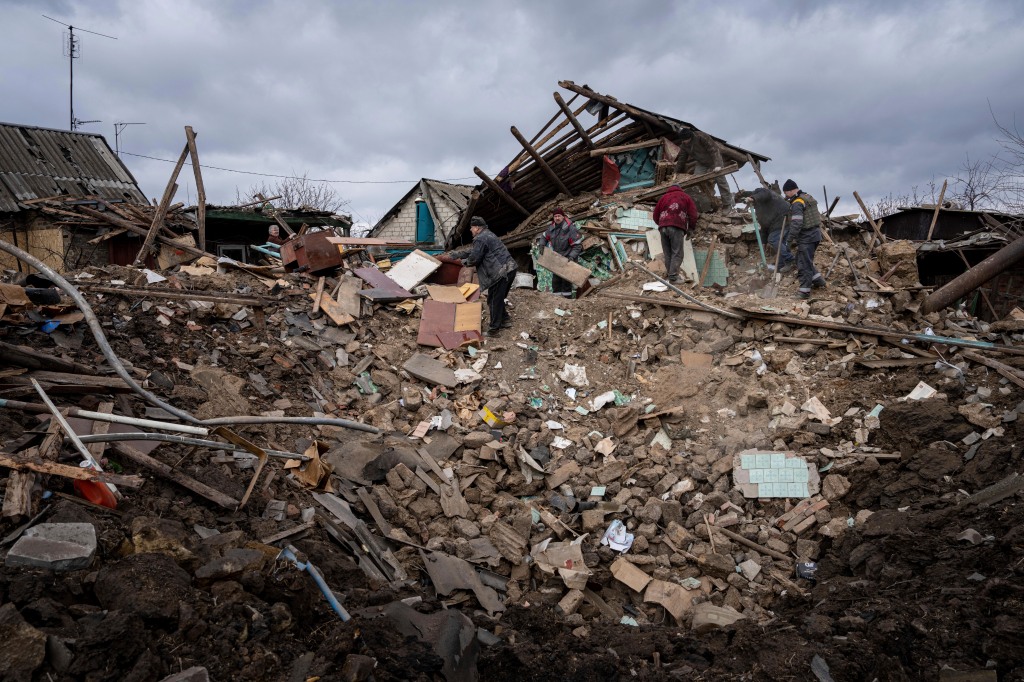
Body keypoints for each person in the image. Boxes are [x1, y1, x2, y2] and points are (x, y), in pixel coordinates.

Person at [449, 216, 517, 336]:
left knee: (493, 300)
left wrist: (465, 262)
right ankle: (505, 320)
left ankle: (494, 329)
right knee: (498, 298)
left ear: (477, 228)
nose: (470, 229)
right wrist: (459, 254)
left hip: (500, 273)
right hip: (510, 269)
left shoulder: (480, 238)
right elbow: (475, 251)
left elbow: (474, 258)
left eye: (472, 227)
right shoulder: (488, 235)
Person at [783, 179, 826, 298]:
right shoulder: (806, 197)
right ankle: (818, 280)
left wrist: (789, 239)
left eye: (786, 192)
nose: (785, 195)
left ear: (790, 191)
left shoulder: (797, 203)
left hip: (807, 236)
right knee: (801, 259)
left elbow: (797, 223)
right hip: (815, 234)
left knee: (803, 263)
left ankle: (804, 292)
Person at [736, 187, 794, 273]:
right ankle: (781, 265)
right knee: (781, 243)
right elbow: (764, 226)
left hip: (783, 218)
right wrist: (764, 242)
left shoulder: (763, 193)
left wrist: (753, 198)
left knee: (773, 239)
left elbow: (764, 193)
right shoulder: (760, 210)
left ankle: (790, 259)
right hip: (781, 222)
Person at [674, 128, 735, 210]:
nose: (684, 142)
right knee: (696, 180)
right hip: (702, 163)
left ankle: (727, 204)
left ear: (690, 137)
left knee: (721, 181)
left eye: (685, 140)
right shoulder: (684, 145)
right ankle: (704, 204)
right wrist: (676, 172)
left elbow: (714, 150)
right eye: (683, 140)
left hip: (714, 160)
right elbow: (682, 159)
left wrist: (718, 165)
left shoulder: (701, 136)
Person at [653, 184, 698, 283]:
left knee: (667, 253)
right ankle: (673, 277)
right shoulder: (685, 197)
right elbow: (693, 214)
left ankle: (670, 276)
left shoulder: (663, 198)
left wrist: (662, 223)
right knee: (677, 253)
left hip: (663, 227)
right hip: (676, 226)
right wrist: (690, 228)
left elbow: (655, 214)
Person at [535, 207, 583, 297]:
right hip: (557, 258)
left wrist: (571, 256)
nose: (557, 218)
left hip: (568, 258)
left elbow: (577, 246)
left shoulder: (570, 229)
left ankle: (566, 301)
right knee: (556, 281)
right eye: (555, 216)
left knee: (566, 283)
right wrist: (541, 245)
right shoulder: (552, 228)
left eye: (559, 216)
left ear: (563, 216)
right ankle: (556, 302)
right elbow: (544, 237)